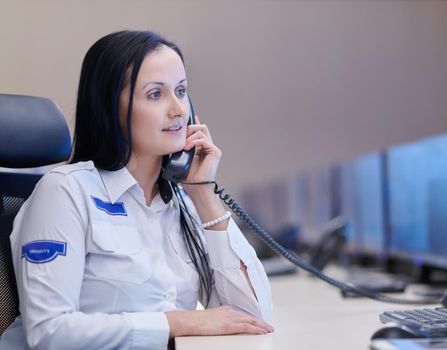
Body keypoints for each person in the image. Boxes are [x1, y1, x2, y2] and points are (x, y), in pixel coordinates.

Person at [0, 30, 273, 349]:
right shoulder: (64, 192)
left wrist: (203, 193)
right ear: (109, 107)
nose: (178, 110)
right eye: (156, 94)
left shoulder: (180, 203)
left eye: (181, 91)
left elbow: (251, 319)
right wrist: (175, 322)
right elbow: (50, 331)